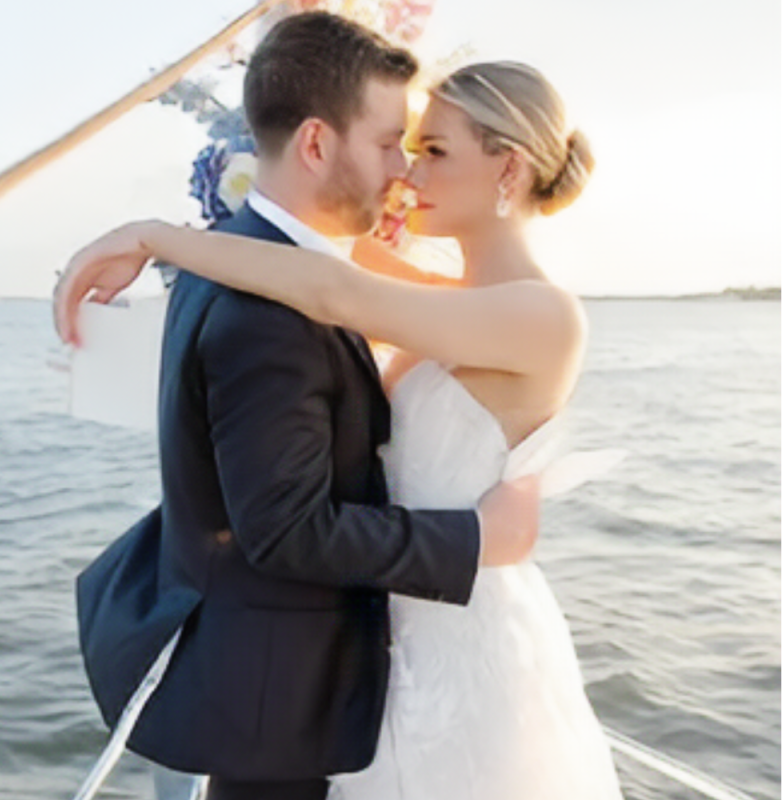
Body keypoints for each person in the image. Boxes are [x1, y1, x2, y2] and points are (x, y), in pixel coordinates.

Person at [56, 48, 625, 798]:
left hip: (468, 640)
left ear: (509, 171)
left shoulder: (541, 315)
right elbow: (308, 245)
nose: (409, 173)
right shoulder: (452, 299)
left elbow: (331, 289)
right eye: (404, 147)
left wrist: (154, 237)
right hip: (385, 642)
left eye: (432, 151)